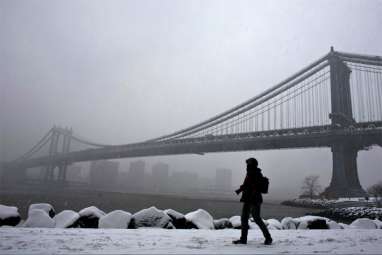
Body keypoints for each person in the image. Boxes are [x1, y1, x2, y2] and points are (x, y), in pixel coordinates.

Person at [233, 157, 272, 245]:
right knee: (244, 219)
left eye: (248, 164)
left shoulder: (256, 173)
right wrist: (240, 190)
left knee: (257, 219)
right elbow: (247, 185)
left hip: (254, 199)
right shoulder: (249, 173)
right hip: (248, 199)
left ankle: (268, 238)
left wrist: (250, 193)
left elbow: (255, 187)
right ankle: (243, 239)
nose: (246, 165)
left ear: (252, 164)